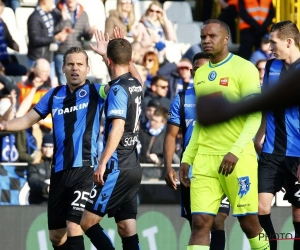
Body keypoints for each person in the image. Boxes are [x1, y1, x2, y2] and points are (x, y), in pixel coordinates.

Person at [0, 27, 141, 249]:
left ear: (87, 68)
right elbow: (27, 119)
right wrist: (4, 125)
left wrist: (109, 57)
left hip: (85, 170)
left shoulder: (98, 91)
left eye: (79, 64)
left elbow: (131, 84)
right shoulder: (54, 95)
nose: (75, 69)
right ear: (63, 68)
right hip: (58, 171)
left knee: (75, 225)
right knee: (57, 235)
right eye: (71, 64)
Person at [179, 19, 269, 250]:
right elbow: (202, 121)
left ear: (226, 39)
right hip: (205, 161)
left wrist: (236, 150)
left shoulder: (244, 68)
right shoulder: (200, 75)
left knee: (249, 224)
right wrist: (188, 158)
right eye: (203, 37)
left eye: (212, 36)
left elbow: (254, 116)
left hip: (237, 160)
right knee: (200, 223)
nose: (206, 41)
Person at [80, 34, 143, 250]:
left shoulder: (116, 89)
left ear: (108, 61)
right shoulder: (134, 83)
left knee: (87, 222)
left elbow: (117, 126)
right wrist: (120, 55)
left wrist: (103, 162)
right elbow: (136, 78)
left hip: (118, 166)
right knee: (126, 227)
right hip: (134, 165)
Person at [164, 52, 230, 250]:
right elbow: (170, 135)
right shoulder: (183, 99)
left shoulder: (227, 97)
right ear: (192, 72)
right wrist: (168, 166)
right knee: (197, 224)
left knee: (218, 220)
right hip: (191, 171)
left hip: (220, 169)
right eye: (198, 69)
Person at [252, 21, 300, 250]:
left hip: (297, 155)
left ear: (289, 42)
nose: (270, 47)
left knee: (299, 214)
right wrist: (259, 135)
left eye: (274, 42)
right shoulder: (271, 67)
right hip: (271, 151)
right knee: (260, 209)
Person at [54, 0, 97, 86]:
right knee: (64, 83)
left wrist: (90, 33)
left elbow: (86, 37)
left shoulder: (83, 14)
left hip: (78, 54)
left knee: (80, 82)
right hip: (62, 52)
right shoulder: (56, 12)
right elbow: (53, 33)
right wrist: (63, 19)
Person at [0, 0, 27, 76]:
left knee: (22, 70)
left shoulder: (2, 23)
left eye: (1, 11)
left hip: (5, 60)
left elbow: (9, 39)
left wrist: (16, 46)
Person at [27, 133, 54, 205]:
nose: (47, 150)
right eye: (45, 146)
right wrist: (46, 187)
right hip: (37, 202)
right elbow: (33, 180)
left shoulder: (60, 163)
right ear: (41, 147)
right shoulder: (35, 162)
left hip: (55, 203)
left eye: (51, 147)